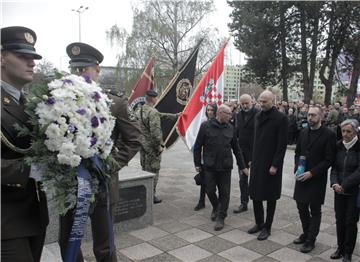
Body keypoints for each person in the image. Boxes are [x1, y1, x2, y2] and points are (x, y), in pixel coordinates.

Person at [59, 42, 117, 262]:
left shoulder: (112, 101)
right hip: (69, 182)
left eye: (85, 69)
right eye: (76, 69)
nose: (80, 74)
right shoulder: (59, 99)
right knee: (69, 240)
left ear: (97, 69)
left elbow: (131, 139)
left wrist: (110, 164)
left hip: (101, 180)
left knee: (104, 243)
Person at [1, 26, 49, 262]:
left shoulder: (30, 103)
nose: (31, 63)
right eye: (22, 56)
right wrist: (31, 169)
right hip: (6, 220)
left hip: (34, 214)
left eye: (33, 57)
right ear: (1, 57)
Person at [193, 104, 248, 231]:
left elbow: (236, 149)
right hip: (210, 166)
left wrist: (242, 166)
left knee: (225, 193)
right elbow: (198, 146)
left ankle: (221, 217)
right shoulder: (205, 126)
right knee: (209, 190)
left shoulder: (230, 128)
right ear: (221, 113)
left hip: (225, 167)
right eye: (228, 114)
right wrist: (197, 163)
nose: (231, 116)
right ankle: (216, 206)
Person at [293, 105, 336, 253]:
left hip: (316, 177)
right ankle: (306, 233)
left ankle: (311, 240)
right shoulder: (303, 132)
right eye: (309, 115)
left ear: (321, 117)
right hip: (301, 175)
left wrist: (312, 173)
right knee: (301, 207)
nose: (310, 118)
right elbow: (298, 152)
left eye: (313, 115)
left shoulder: (329, 134)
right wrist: (296, 166)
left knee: (315, 209)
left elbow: (329, 159)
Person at [248, 90, 288, 241]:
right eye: (260, 101)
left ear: (273, 101)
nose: (262, 104)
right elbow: (255, 139)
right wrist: (252, 158)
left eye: (265, 101)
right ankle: (259, 222)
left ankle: (267, 227)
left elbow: (282, 144)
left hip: (271, 164)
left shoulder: (281, 118)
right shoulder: (258, 116)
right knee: (255, 194)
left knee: (270, 196)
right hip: (258, 161)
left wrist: (275, 165)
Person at [137, 90, 178, 204]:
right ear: (153, 99)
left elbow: (160, 115)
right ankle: (151, 195)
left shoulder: (140, 110)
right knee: (153, 171)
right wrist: (158, 146)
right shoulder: (153, 112)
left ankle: (144, 193)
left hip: (143, 146)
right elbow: (156, 134)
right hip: (151, 148)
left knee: (144, 170)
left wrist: (175, 116)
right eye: (156, 98)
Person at [329, 119, 360, 262]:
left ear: (355, 132)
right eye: (343, 131)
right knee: (339, 220)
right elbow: (334, 167)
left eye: (348, 131)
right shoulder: (338, 146)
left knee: (350, 222)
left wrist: (345, 184)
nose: (345, 134)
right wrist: (334, 183)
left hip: (354, 191)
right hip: (338, 190)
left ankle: (348, 252)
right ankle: (340, 248)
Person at [233, 94, 258, 214]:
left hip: (255, 152)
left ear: (251, 102)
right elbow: (236, 132)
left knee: (255, 179)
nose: (244, 105)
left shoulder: (258, 114)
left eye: (246, 103)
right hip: (242, 153)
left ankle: (257, 200)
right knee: (242, 179)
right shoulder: (238, 115)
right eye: (242, 103)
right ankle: (244, 203)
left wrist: (254, 156)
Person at [194, 103, 218, 211]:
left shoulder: (219, 124)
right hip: (206, 158)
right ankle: (201, 201)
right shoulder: (204, 124)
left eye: (212, 110)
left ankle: (217, 204)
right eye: (208, 110)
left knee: (215, 183)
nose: (209, 112)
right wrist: (197, 163)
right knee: (204, 181)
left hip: (217, 159)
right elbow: (198, 145)